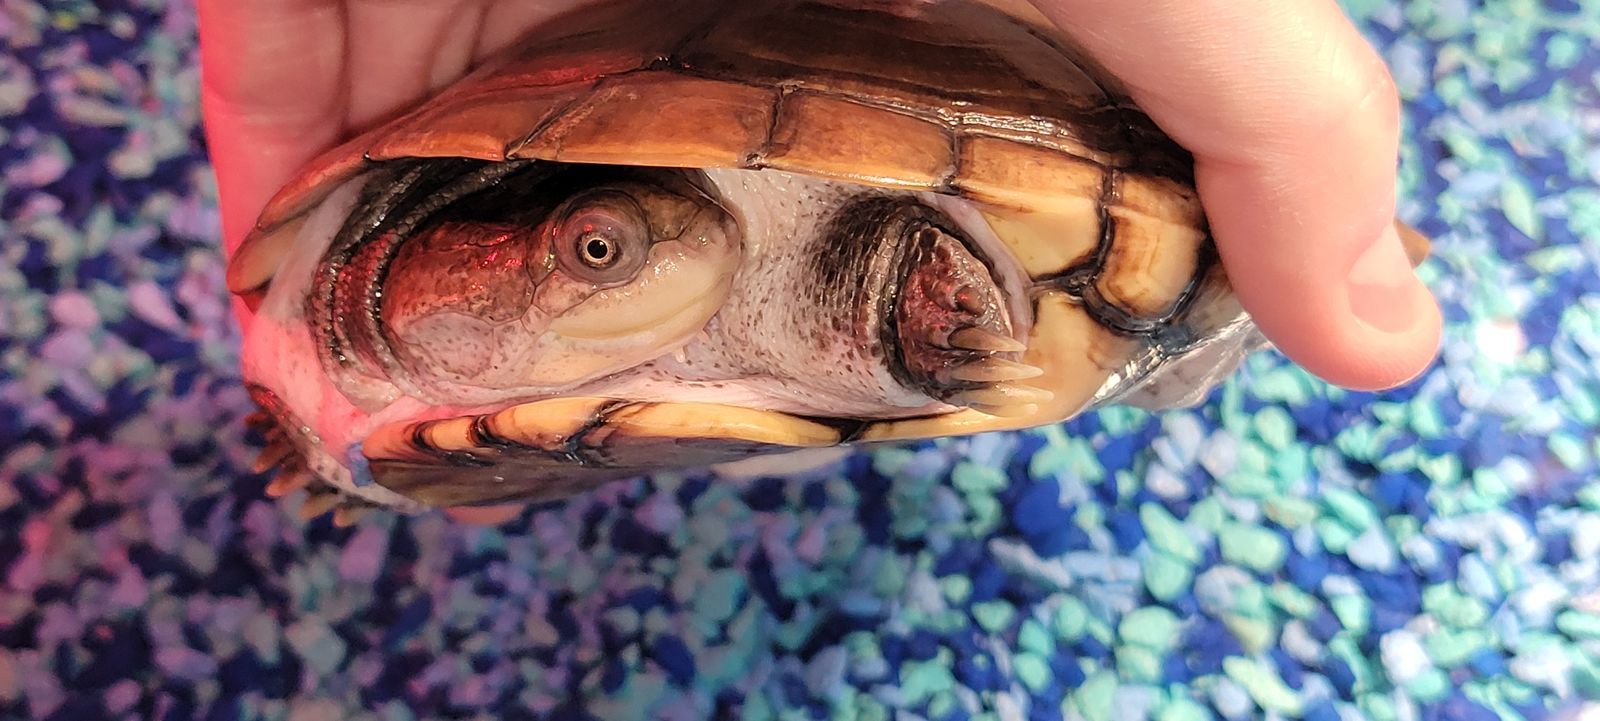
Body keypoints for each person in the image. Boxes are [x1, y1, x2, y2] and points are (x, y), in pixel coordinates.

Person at [197, 0, 1443, 523]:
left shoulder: (749, 229)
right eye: (595, 249)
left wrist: (928, 308)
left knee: (1210, 308)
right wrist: (313, 428)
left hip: (978, 138)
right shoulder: (335, 288)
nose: (685, 241)